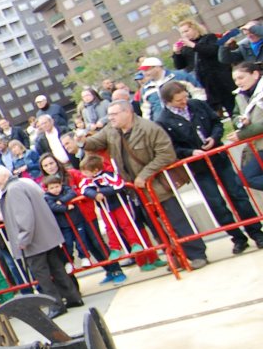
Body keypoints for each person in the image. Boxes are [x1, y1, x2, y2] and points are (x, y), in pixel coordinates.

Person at [83, 100, 208, 269]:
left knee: (176, 220)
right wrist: (82, 142)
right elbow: (95, 143)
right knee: (156, 227)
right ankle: (176, 255)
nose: (110, 118)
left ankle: (196, 253)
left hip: (156, 185)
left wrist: (144, 175)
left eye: (114, 114)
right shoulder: (111, 130)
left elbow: (166, 154)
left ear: (128, 112)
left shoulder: (150, 128)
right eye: (109, 115)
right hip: (135, 191)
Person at [155, 80, 263, 254]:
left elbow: (217, 122)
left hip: (218, 157)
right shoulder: (163, 121)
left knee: (238, 194)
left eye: (184, 98)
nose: (184, 102)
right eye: (178, 101)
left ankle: (256, 232)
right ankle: (237, 237)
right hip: (198, 166)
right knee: (216, 203)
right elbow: (171, 146)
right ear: (168, 102)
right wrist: (190, 152)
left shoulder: (197, 105)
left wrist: (214, 137)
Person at [0, 165, 83, 317]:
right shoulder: (23, 184)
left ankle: (55, 305)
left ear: (4, 176)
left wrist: (23, 239)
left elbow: (24, 217)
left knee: (43, 276)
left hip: (34, 242)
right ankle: (74, 298)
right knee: (57, 269)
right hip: (46, 237)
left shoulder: (14, 190)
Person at [39, 153, 126, 284]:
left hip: (85, 212)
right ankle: (108, 269)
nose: (49, 167)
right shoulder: (45, 184)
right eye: (45, 165)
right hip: (69, 219)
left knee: (97, 241)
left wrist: (65, 200)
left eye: (51, 163)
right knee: (88, 245)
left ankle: (116, 269)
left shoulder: (71, 173)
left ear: (56, 162)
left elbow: (85, 187)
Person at [77, 155, 162, 269]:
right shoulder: (87, 180)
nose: (83, 174)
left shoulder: (108, 174)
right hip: (106, 208)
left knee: (130, 225)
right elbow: (84, 189)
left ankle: (144, 251)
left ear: (95, 170)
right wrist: (95, 194)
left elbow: (118, 185)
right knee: (111, 228)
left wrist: (102, 191)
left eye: (85, 171)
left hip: (121, 204)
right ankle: (117, 249)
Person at [172, 19, 237, 118]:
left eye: (186, 31)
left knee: (232, 107)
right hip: (204, 83)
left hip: (220, 79)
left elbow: (212, 51)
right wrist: (177, 53)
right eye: (182, 33)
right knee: (211, 112)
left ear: (195, 29)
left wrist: (193, 45)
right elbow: (180, 66)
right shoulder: (186, 47)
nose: (184, 35)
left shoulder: (209, 38)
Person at [226, 61, 263, 194]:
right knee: (244, 178)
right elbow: (235, 115)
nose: (237, 82)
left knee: (246, 177)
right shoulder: (240, 95)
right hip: (258, 145)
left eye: (241, 78)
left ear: (255, 74)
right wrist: (240, 122)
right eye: (235, 79)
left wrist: (242, 134)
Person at [138, 56, 201, 121]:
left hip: (189, 117)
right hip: (163, 125)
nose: (144, 73)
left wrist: (199, 111)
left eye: (147, 70)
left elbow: (198, 93)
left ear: (157, 67)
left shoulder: (180, 76)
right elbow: (146, 112)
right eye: (143, 71)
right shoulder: (145, 89)